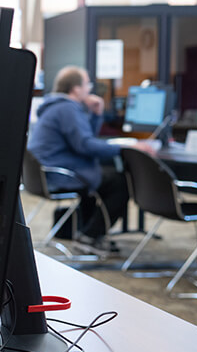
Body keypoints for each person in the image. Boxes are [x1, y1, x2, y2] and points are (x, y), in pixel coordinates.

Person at [27, 66, 153, 251]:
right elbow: (85, 146)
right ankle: (89, 236)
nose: (90, 89)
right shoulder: (67, 109)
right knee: (121, 183)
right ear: (75, 88)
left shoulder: (55, 106)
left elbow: (85, 140)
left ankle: (87, 232)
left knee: (101, 178)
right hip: (60, 173)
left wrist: (96, 114)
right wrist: (127, 147)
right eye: (87, 84)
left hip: (47, 172)